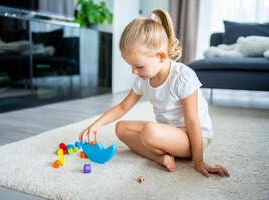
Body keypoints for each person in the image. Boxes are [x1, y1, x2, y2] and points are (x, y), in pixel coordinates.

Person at [79, 9, 230, 177]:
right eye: (131, 66)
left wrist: (199, 161)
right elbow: (122, 107)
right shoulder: (143, 79)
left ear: (162, 56)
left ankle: (169, 150)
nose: (134, 72)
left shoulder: (182, 77)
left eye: (139, 66)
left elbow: (192, 121)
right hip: (167, 132)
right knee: (121, 128)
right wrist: (97, 124)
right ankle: (160, 157)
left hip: (193, 137)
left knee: (149, 132)